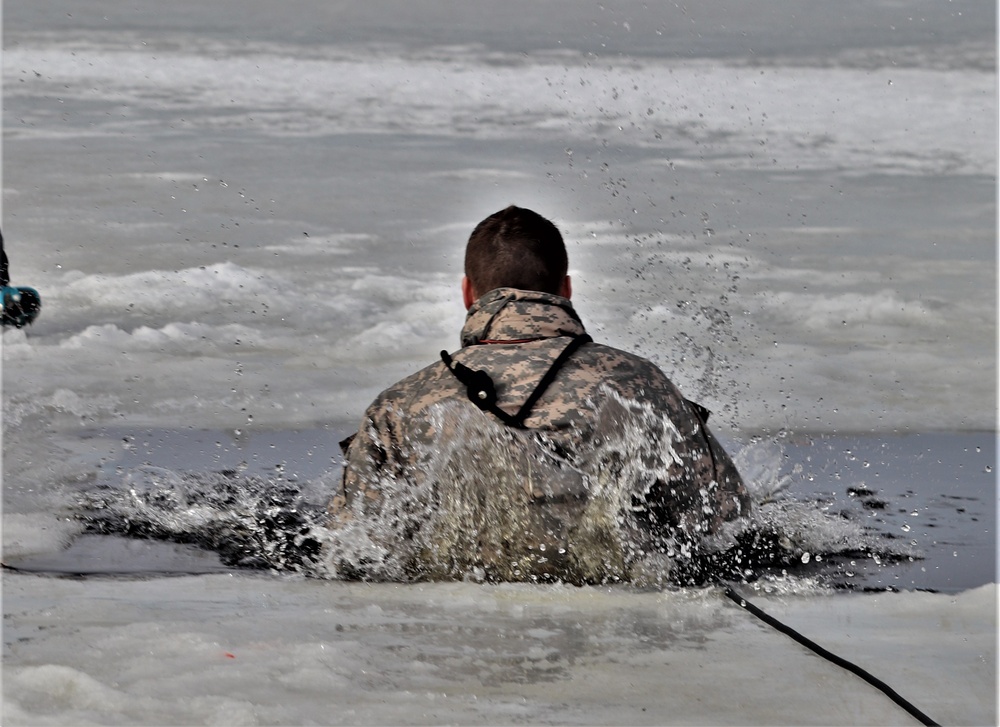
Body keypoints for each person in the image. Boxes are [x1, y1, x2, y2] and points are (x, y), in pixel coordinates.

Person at [328, 205, 750, 584]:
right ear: (565, 289)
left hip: (455, 620)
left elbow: (352, 545)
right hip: (609, 615)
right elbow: (727, 523)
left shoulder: (400, 404)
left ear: (468, 294)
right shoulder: (638, 384)